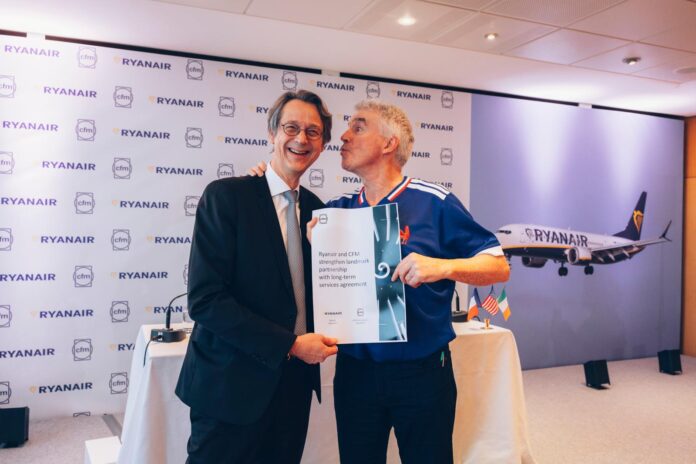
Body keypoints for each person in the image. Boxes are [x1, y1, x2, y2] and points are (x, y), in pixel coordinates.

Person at [249, 99, 509, 463]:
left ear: (389, 143)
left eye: (358, 127)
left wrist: (442, 267)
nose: (343, 136)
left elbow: (498, 266)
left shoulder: (434, 202)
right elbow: (278, 208)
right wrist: (264, 180)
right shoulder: (334, 211)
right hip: (355, 372)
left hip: (421, 370)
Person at [175, 90, 339, 464]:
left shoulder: (320, 213)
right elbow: (205, 300)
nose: (301, 139)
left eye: (313, 132)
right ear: (272, 133)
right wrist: (290, 345)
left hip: (293, 387)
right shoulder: (227, 197)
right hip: (229, 385)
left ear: (322, 145)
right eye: (291, 128)